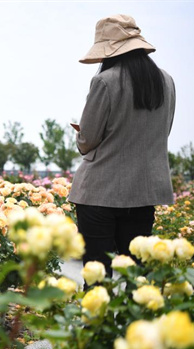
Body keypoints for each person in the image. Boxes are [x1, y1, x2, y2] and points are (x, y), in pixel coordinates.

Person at [68, 14, 176, 276]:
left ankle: (97, 320)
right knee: (136, 277)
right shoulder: (167, 81)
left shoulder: (105, 81)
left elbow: (87, 142)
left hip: (99, 193)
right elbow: (162, 134)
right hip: (144, 193)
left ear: (108, 50)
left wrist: (81, 135)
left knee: (97, 277)